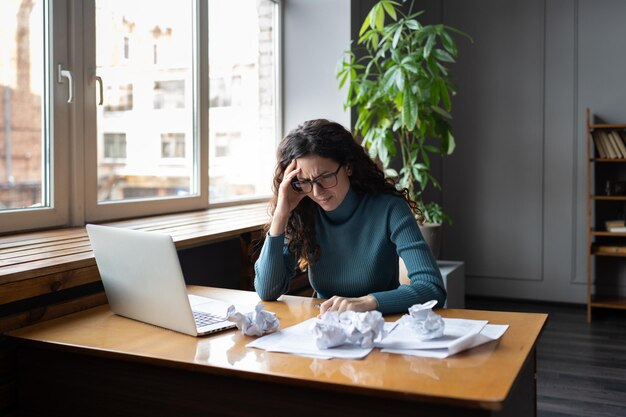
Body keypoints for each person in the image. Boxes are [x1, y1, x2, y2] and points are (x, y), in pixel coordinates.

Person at [254, 119, 446, 315]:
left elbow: (432, 288)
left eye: (325, 177)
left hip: (383, 326)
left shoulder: (389, 208)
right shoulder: (304, 211)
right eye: (305, 182)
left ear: (348, 167)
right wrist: (281, 213)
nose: (317, 191)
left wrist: (370, 302)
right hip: (325, 329)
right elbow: (268, 291)